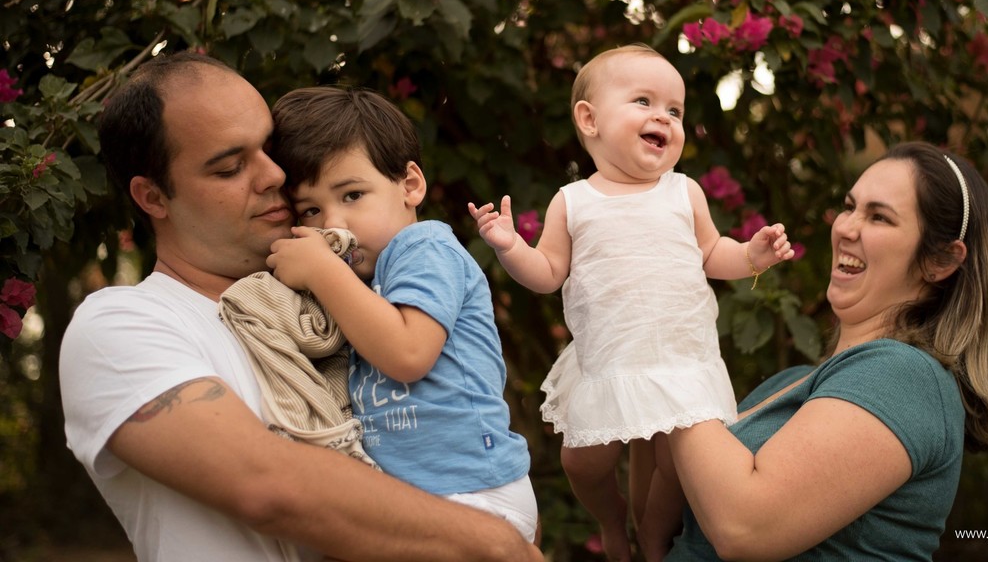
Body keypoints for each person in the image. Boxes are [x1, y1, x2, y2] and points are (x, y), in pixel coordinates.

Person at [59, 51, 541, 562]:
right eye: (229, 167)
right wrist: (493, 542)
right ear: (153, 197)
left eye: (271, 149)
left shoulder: (340, 301)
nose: (273, 176)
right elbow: (267, 485)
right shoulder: (121, 326)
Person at [469, 44, 795, 562]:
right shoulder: (573, 202)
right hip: (611, 363)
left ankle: (653, 536)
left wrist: (752, 255)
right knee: (582, 464)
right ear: (589, 119)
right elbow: (549, 274)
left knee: (673, 471)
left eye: (674, 110)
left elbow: (714, 253)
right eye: (643, 101)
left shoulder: (683, 192)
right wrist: (511, 249)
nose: (662, 117)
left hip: (680, 362)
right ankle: (609, 516)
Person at [662, 141, 988, 561]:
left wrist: (667, 341)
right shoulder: (790, 383)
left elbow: (745, 526)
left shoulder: (905, 376)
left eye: (879, 217)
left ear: (939, 260)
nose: (846, 227)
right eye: (849, 207)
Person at [265, 86, 538, 543]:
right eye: (311, 209)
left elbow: (409, 353)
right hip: (423, 495)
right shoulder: (367, 282)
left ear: (410, 185)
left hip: (471, 492)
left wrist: (320, 269)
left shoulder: (424, 248)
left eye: (352, 195)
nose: (334, 225)